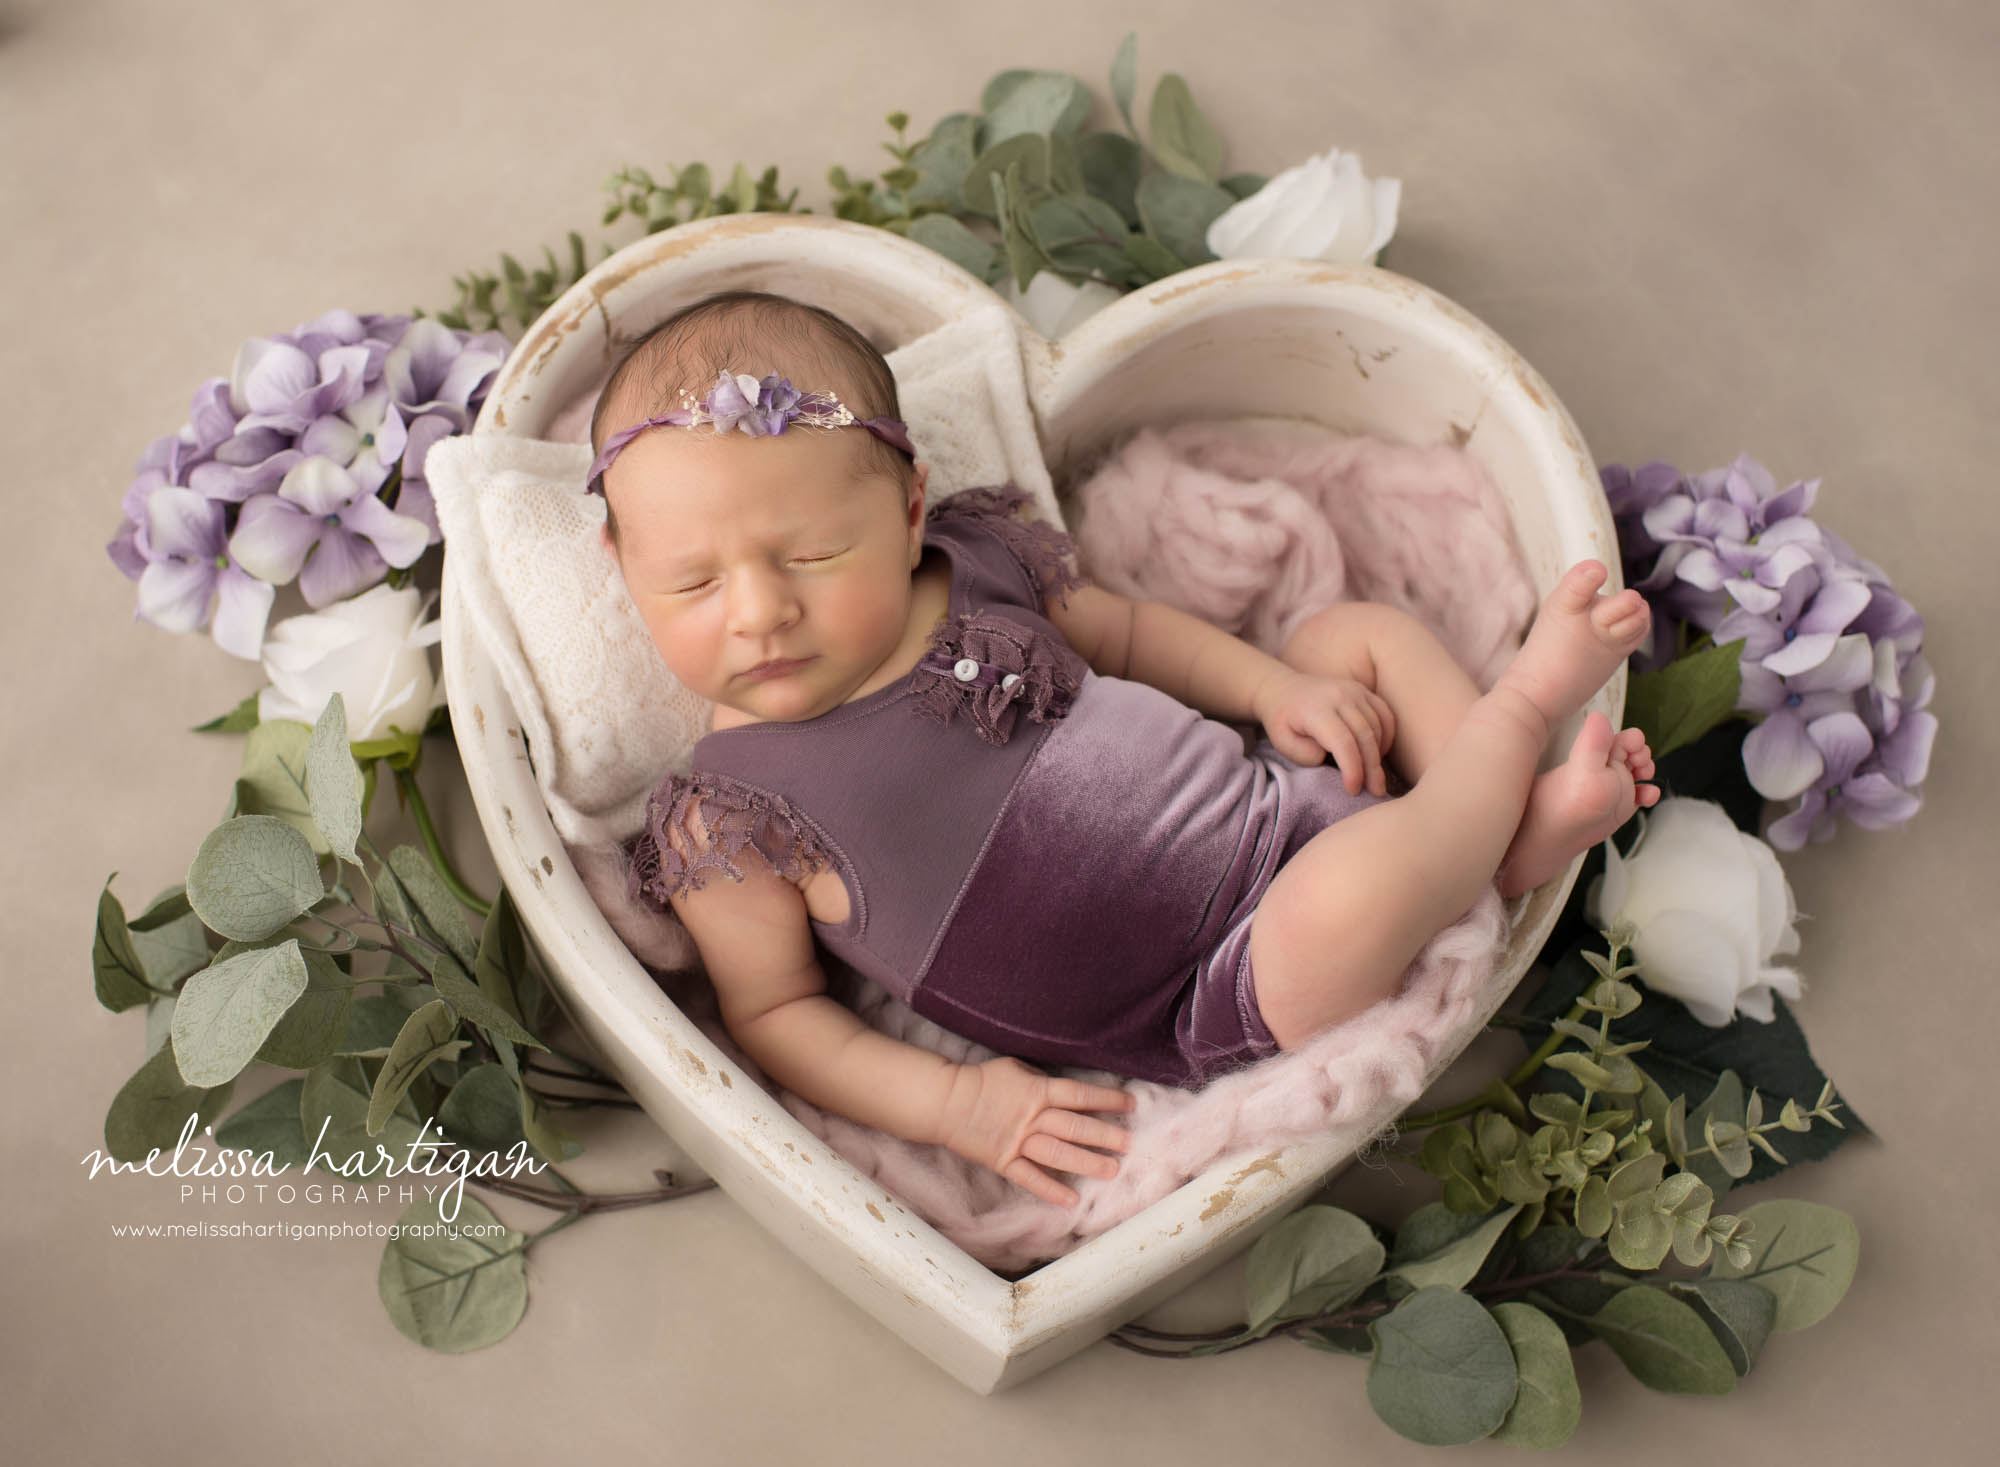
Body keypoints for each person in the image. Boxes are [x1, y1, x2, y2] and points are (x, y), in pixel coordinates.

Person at [591, 290, 1659, 1208]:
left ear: (910, 510)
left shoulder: (972, 564)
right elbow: (778, 1016)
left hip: (1279, 802)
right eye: (692, 582)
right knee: (1352, 902)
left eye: (816, 554)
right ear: (621, 565)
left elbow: (1129, 634)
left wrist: (1273, 687)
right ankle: (1515, 733)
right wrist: (960, 1105)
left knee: (1355, 639)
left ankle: (1483, 833)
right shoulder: (728, 815)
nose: (761, 612)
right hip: (1219, 980)